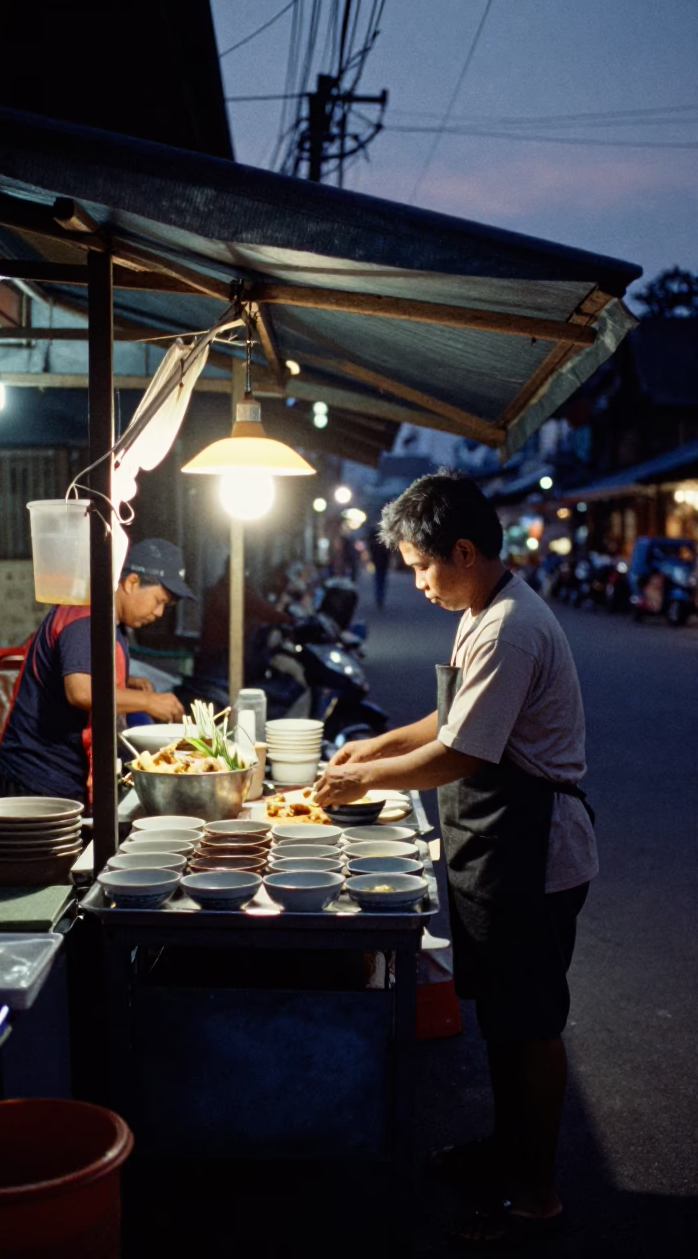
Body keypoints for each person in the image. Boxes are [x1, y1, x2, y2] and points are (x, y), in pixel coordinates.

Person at [314, 471, 598, 1247]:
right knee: (502, 1022)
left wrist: (359, 776)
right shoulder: (483, 608)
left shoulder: (510, 627)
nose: (414, 580)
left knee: (531, 1024)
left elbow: (464, 752)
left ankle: (539, 1197)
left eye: (419, 566)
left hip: (532, 852)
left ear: (464, 551)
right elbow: (452, 715)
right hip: (496, 846)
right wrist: (381, 742)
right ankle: (507, 1151)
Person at [0, 539, 193, 806]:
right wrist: (148, 702)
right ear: (132, 582)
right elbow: (81, 691)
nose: (158, 613)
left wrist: (126, 682)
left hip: (61, 778)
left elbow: (75, 666)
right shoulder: (86, 615)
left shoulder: (111, 619)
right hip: (35, 783)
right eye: (159, 601)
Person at [367, 524, 391, 609]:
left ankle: (379, 597)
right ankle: (380, 597)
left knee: (379, 580)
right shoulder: (383, 543)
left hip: (379, 563)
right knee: (381, 580)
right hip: (382, 563)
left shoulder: (374, 543)